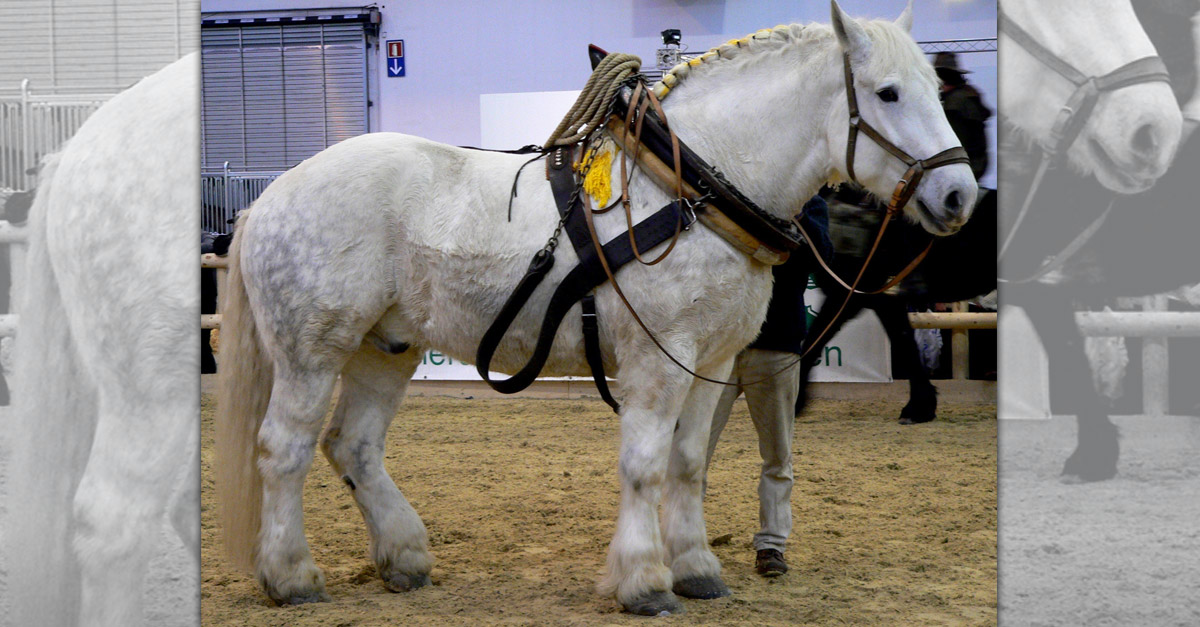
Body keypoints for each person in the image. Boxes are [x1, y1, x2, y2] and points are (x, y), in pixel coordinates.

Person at [704, 195, 832, 578]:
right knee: (694, 451)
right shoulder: (735, 192)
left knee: (777, 453)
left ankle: (772, 543)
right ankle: (683, 536)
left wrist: (799, 219)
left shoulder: (812, 206)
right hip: (722, 344)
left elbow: (824, 260)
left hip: (775, 344)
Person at [933, 52, 992, 180]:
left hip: (961, 169)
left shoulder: (955, 102)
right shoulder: (968, 95)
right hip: (971, 167)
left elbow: (954, 144)